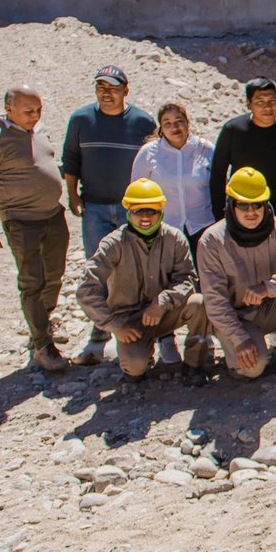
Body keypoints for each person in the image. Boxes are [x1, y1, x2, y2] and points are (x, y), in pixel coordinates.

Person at [192, 167, 276, 383]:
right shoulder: (212, 241)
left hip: (271, 308)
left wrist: (269, 287)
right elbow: (215, 301)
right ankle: (236, 354)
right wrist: (239, 339)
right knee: (253, 369)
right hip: (237, 317)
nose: (251, 211)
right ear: (231, 205)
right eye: (243, 205)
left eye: (257, 204)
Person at [0, 86, 70, 372]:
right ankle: (41, 345)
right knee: (32, 281)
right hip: (22, 221)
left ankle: (42, 325)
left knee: (55, 276)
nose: (35, 116)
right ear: (8, 108)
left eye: (38, 110)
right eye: (28, 111)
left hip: (53, 215)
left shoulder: (39, 130)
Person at [61, 65, 156, 364]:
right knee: (99, 267)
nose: (106, 93)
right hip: (95, 208)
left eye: (113, 88)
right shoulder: (80, 120)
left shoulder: (142, 121)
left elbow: (153, 162)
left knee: (136, 267)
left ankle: (141, 331)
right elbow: (71, 160)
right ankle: (100, 333)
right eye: (101, 87)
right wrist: (73, 194)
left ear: (126, 90)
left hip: (133, 209)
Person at [75, 178, 206, 389]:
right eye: (138, 211)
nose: (145, 217)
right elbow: (86, 290)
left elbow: (188, 279)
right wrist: (115, 326)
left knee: (199, 303)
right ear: (128, 212)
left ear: (161, 211)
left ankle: (194, 363)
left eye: (151, 211)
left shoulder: (175, 238)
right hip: (129, 322)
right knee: (135, 367)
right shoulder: (113, 244)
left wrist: (162, 302)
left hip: (164, 312)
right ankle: (137, 359)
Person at [210, 77, 276, 223]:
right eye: (260, 102)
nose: (267, 107)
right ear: (249, 104)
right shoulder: (233, 131)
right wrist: (220, 215)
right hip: (242, 214)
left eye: (272, 101)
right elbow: (218, 174)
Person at [131, 101, 214, 259]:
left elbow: (221, 185)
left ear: (187, 123)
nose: (174, 127)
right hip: (164, 227)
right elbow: (137, 192)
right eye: (167, 123)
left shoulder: (205, 149)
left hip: (203, 226)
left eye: (178, 121)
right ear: (161, 128)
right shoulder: (148, 153)